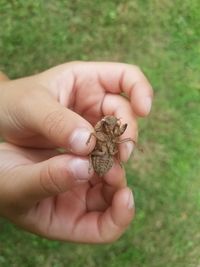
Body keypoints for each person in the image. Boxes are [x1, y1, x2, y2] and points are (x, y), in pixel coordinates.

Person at [0, 61, 153, 243]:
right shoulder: (97, 133)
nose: (112, 126)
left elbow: (120, 138)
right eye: (108, 124)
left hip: (104, 158)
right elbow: (93, 139)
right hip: (98, 156)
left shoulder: (112, 134)